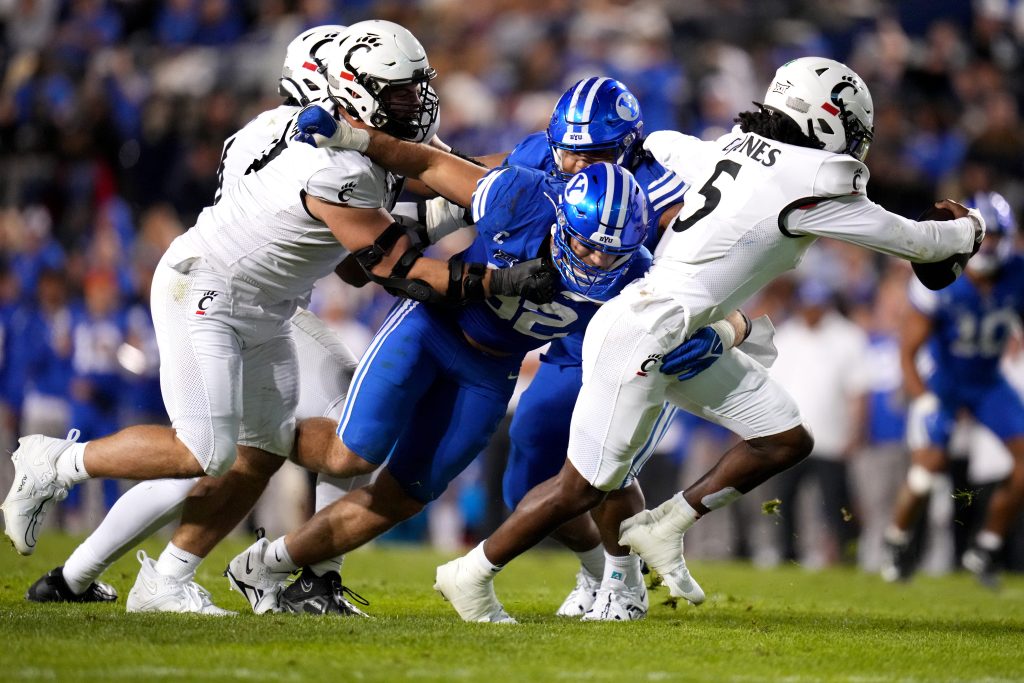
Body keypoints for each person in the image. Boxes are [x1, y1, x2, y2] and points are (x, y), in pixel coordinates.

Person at [1, 19, 555, 615]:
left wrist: (549, 167)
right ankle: (55, 462)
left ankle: (159, 580)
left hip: (267, 305)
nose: (415, 102)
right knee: (204, 450)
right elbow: (394, 269)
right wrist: (497, 279)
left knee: (260, 452)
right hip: (206, 294)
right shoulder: (329, 166)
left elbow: (460, 177)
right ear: (346, 90)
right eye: (397, 91)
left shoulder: (304, 136)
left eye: (414, 86)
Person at [408, 56, 985, 622]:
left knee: (783, 437)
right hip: (642, 330)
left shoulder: (730, 147)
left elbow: (665, 143)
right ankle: (472, 574)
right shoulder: (813, 181)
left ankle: (665, 526)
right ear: (828, 121)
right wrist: (971, 227)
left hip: (677, 328)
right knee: (580, 488)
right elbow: (919, 242)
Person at [224, 160, 652, 620]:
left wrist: (729, 330)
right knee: (354, 454)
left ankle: (263, 565)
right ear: (563, 220)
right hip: (431, 329)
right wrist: (360, 147)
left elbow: (695, 310)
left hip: (492, 371)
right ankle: (251, 440)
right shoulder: (521, 200)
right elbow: (430, 165)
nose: (599, 262)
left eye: (614, 253)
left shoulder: (638, 276)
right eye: (588, 247)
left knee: (405, 496)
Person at [498, 77, 688, 618]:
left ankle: (626, 586)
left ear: (629, 143)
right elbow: (492, 170)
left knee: (606, 472)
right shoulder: (540, 155)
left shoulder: (661, 187)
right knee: (526, 483)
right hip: (571, 345)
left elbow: (699, 264)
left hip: (633, 346)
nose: (580, 164)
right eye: (571, 150)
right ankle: (595, 575)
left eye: (598, 152)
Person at [882, 191, 1024, 587]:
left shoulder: (1017, 273)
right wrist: (924, 398)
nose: (991, 244)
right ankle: (897, 540)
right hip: (945, 381)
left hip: (989, 382)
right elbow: (907, 352)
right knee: (926, 472)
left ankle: (986, 548)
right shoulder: (941, 275)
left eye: (998, 236)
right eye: (987, 236)